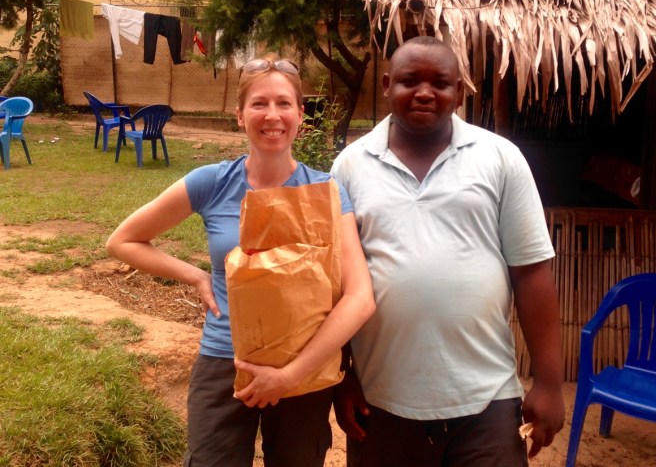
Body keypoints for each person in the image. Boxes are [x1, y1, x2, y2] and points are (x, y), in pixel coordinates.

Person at [106, 54, 375, 467]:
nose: (272, 115)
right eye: (259, 103)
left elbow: (360, 297)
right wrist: (196, 276)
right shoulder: (212, 182)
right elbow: (123, 241)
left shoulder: (327, 193)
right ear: (239, 115)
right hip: (225, 360)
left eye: (284, 103)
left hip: (304, 367)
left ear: (301, 115)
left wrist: (289, 375)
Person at [330, 36, 565, 467]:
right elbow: (337, 279)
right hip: (381, 399)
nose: (424, 92)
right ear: (386, 85)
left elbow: (531, 272)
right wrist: (343, 375)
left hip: (486, 400)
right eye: (409, 81)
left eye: (439, 83)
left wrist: (549, 383)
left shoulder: (500, 158)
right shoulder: (350, 165)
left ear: (459, 91)